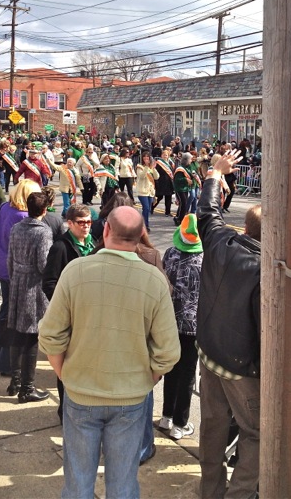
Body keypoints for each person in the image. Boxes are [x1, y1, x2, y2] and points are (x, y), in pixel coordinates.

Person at [39, 206, 180, 499]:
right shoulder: (154, 280)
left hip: (80, 393)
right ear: (142, 234)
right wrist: (146, 379)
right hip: (130, 397)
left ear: (104, 230)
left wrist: (63, 372)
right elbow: (168, 352)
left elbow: (50, 335)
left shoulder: (76, 271)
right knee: (123, 483)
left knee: (77, 481)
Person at [196, 149, 261, 499]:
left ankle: (211, 490)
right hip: (241, 368)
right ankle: (239, 493)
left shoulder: (221, 241)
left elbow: (207, 211)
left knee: (213, 427)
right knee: (257, 434)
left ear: (246, 226)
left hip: (209, 355)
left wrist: (214, 174)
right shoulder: (267, 271)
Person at [42, 205, 95, 421]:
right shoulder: (60, 248)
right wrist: (67, 306)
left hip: (90, 315)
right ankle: (66, 412)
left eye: (89, 222)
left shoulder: (93, 245)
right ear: (69, 223)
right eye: (81, 223)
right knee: (67, 365)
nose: (86, 227)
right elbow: (49, 282)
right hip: (70, 315)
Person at [0, 179, 41, 376]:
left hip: (2, 265)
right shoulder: (23, 216)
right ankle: (6, 362)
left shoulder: (4, 207)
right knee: (15, 317)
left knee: (6, 313)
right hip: (15, 270)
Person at [159, 213, 203, 440]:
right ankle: (180, 423)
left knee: (171, 369)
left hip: (170, 320)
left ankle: (166, 415)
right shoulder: (205, 258)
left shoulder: (170, 253)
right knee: (187, 373)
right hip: (193, 325)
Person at [7, 192, 53, 403]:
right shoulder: (43, 232)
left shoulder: (17, 227)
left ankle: (15, 381)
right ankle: (27, 387)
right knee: (32, 336)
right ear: (44, 210)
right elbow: (44, 264)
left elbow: (10, 258)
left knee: (17, 334)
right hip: (33, 286)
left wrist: (15, 276)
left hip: (17, 282)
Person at [135, 150, 159, 232]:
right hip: (142, 191)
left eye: (147, 158)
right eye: (144, 158)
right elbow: (141, 176)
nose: (146, 159)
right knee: (145, 208)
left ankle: (143, 224)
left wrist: (153, 168)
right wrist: (146, 167)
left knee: (148, 209)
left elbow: (156, 177)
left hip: (150, 191)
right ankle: (145, 225)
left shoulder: (150, 168)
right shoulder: (139, 167)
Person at [173, 152, 193, 226]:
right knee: (183, 203)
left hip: (185, 188)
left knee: (183, 204)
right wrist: (186, 180)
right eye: (190, 159)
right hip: (180, 188)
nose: (191, 161)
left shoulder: (188, 167)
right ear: (187, 160)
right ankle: (180, 219)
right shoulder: (180, 168)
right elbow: (177, 179)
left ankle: (178, 217)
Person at [152, 149, 174, 216]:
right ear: (161, 155)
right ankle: (151, 208)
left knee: (168, 198)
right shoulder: (159, 162)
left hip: (168, 182)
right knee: (159, 197)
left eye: (166, 155)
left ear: (168, 156)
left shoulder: (170, 163)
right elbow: (155, 172)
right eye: (164, 155)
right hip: (161, 181)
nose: (165, 156)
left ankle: (168, 212)